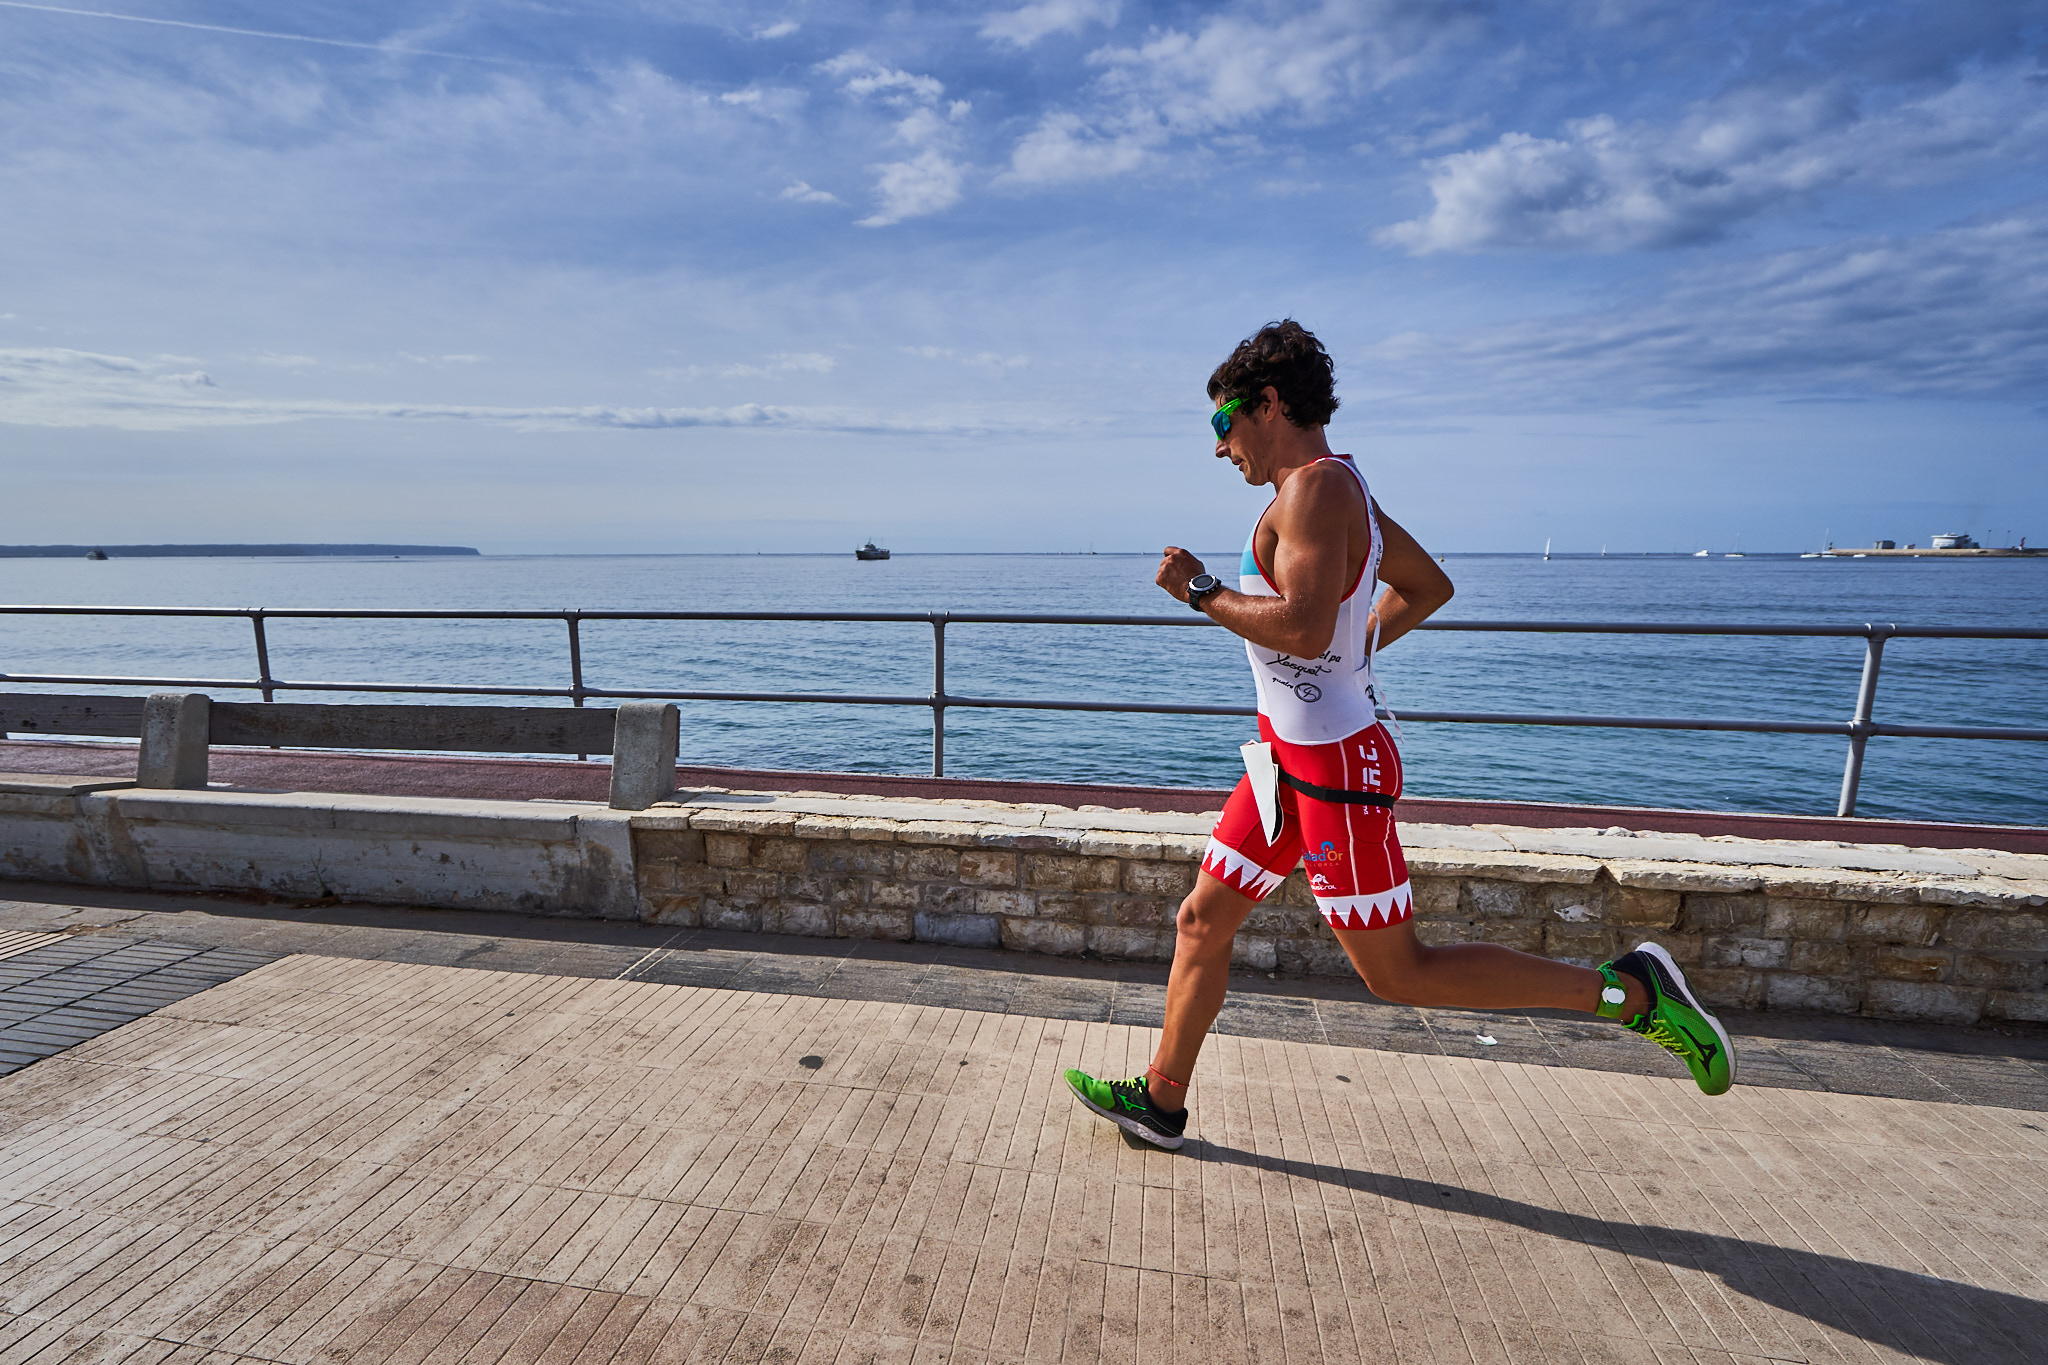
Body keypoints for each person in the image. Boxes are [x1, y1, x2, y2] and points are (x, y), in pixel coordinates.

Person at [1065, 320, 1734, 1150]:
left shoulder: (1317, 489)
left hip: (1336, 767)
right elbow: (1423, 586)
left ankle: (1631, 992)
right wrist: (1352, 652)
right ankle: (1163, 1099)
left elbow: (1306, 629)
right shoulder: (1335, 490)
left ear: (1267, 403)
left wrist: (1200, 587)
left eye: (1221, 423)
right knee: (1202, 918)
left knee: (1399, 971)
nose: (1218, 447)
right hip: (1284, 761)